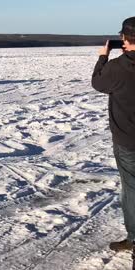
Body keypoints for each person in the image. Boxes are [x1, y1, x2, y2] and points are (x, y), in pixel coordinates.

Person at [92, 16, 135, 253]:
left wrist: (102, 57)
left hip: (129, 140)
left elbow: (98, 83)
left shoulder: (118, 67)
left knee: (132, 189)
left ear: (124, 39)